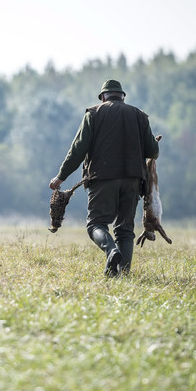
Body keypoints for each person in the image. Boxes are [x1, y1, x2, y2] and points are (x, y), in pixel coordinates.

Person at [49, 79, 159, 278]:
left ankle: (111, 251)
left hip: (103, 179)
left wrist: (60, 177)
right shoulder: (139, 116)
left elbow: (78, 149)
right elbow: (153, 151)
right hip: (134, 180)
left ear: (102, 97)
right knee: (125, 230)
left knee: (96, 224)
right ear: (123, 97)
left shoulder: (94, 113)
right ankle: (122, 276)